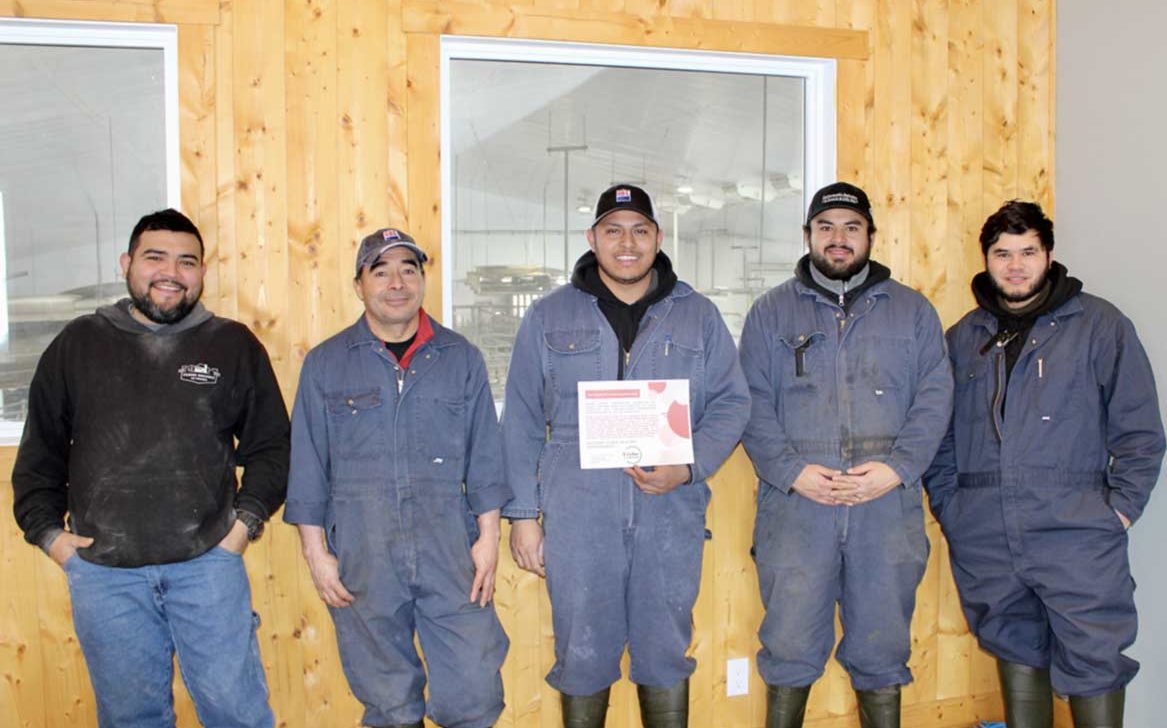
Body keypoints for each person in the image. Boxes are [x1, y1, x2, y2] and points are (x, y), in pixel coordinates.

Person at [11, 208, 289, 728]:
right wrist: (51, 537)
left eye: (187, 261)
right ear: (127, 263)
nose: (171, 272)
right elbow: (39, 457)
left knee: (237, 715)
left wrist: (241, 529)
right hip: (105, 576)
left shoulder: (231, 345)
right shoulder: (78, 344)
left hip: (207, 567)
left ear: (203, 272)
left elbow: (273, 447)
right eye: (155, 257)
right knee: (131, 720)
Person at [503, 183, 749, 728]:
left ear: (658, 237)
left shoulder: (698, 316)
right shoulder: (549, 317)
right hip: (578, 516)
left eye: (640, 230)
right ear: (593, 238)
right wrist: (522, 515)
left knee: (665, 653)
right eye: (613, 231)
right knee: (582, 654)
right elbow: (519, 419)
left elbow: (733, 403)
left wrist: (688, 468)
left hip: (669, 514)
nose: (627, 243)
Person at [923, 201, 1165, 728]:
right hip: (986, 532)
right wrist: (953, 508)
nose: (1015, 265)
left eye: (1027, 251)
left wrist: (1117, 511)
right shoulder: (963, 338)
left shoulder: (1099, 325)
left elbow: (1142, 432)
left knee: (1095, 655)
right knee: (1013, 647)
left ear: (1048, 254)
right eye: (1002, 253)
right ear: (985, 259)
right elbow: (938, 440)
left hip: (1077, 530)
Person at [738, 182, 953, 728]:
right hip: (796, 507)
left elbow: (935, 399)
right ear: (808, 235)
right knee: (788, 643)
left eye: (851, 228)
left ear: (871, 237)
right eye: (826, 227)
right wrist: (791, 473)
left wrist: (897, 469)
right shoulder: (770, 314)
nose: (839, 239)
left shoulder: (913, 312)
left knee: (882, 646)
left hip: (885, 505)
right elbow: (750, 403)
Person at [284, 228, 510, 728]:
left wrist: (489, 539)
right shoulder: (326, 364)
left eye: (409, 269)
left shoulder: (461, 359)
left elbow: (486, 459)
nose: (397, 282)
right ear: (359, 284)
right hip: (363, 551)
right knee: (387, 701)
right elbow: (307, 467)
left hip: (451, 548)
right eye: (380, 271)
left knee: (474, 689)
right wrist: (316, 554)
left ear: (422, 279)